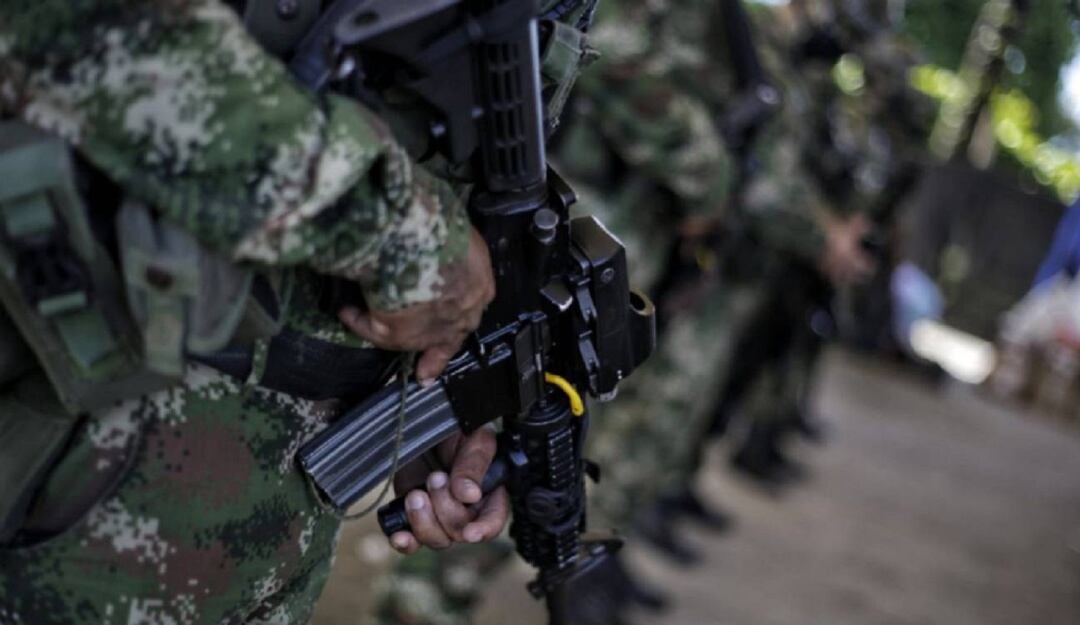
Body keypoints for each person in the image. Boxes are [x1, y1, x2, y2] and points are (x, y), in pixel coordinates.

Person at [0, 0, 602, 621]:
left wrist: (426, 387)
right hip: (107, 405)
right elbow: (74, 26)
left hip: (276, 467)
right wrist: (401, 235)